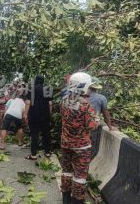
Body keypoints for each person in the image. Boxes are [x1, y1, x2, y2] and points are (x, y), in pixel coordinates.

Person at [60, 72, 98, 204]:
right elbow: (92, 126)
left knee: (66, 171)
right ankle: (77, 201)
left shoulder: (64, 101)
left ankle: (65, 199)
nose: (90, 90)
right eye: (89, 87)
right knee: (80, 176)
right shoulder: (86, 107)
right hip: (81, 147)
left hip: (65, 144)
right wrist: (96, 119)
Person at [24, 75, 52, 160]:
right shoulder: (47, 89)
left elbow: (28, 102)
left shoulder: (31, 89)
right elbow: (50, 104)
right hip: (45, 116)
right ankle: (47, 152)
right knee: (46, 134)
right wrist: (49, 114)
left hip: (34, 115)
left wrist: (25, 114)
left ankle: (33, 155)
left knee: (34, 134)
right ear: (43, 81)